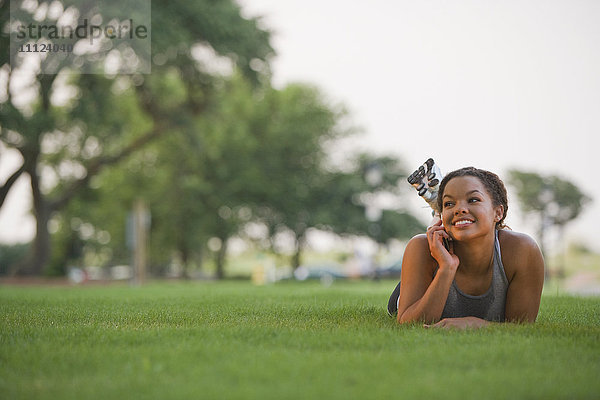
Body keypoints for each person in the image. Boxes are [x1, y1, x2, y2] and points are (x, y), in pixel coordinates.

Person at [388, 166, 545, 329]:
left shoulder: (522, 250)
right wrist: (446, 269)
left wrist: (474, 324)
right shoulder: (421, 247)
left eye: (473, 200)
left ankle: (438, 206)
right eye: (449, 203)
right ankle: (437, 211)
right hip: (425, 285)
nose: (459, 209)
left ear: (498, 212)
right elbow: (411, 324)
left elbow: (523, 327)